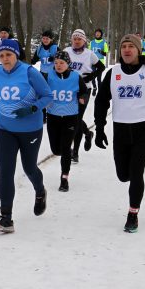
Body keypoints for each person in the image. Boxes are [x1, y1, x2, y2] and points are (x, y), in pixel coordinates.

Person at [94, 34, 145, 233]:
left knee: (136, 172)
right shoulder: (113, 73)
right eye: (124, 46)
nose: (127, 50)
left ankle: (133, 213)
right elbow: (101, 101)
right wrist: (99, 128)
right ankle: (133, 175)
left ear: (138, 50)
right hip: (121, 129)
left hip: (144, 130)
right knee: (123, 175)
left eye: (131, 46)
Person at [0, 39, 53, 233]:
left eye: (8, 55)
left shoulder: (30, 72)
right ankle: (6, 218)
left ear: (16, 55)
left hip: (30, 129)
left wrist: (32, 108)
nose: (5, 59)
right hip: (4, 129)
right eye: (1, 55)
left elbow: (48, 96)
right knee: (6, 171)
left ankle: (40, 191)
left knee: (29, 167)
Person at [45, 50, 88, 192]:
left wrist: (83, 97)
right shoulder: (49, 76)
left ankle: (64, 178)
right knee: (56, 150)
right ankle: (67, 150)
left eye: (61, 63)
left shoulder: (76, 77)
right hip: (53, 117)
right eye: (56, 63)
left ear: (68, 64)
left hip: (70, 118)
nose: (58, 65)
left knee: (64, 150)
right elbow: (41, 91)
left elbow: (84, 91)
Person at [64, 29, 105, 163]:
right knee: (70, 118)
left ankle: (75, 152)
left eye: (79, 39)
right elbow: (57, 66)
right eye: (74, 39)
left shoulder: (89, 54)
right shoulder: (66, 51)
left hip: (84, 90)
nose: (76, 41)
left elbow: (101, 67)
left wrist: (91, 76)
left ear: (84, 41)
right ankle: (88, 133)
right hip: (68, 89)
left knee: (76, 119)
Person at [88, 28, 109, 97]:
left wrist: (102, 52)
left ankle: (100, 91)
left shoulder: (104, 43)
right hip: (93, 62)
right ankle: (94, 87)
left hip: (100, 63)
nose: (97, 34)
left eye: (99, 33)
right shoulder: (91, 42)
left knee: (99, 78)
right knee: (93, 76)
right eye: (96, 32)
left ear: (101, 34)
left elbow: (106, 53)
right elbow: (89, 52)